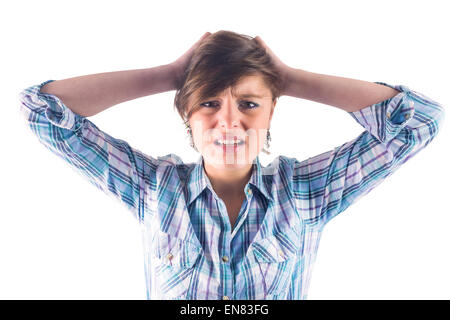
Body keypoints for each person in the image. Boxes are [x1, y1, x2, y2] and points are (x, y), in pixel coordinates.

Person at [18, 30, 445, 300]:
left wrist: (291, 79)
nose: (229, 121)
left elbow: (420, 121)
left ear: (271, 111)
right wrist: (169, 75)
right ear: (186, 113)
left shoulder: (307, 191)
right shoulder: (152, 187)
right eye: (208, 103)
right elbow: (42, 109)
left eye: (249, 103)